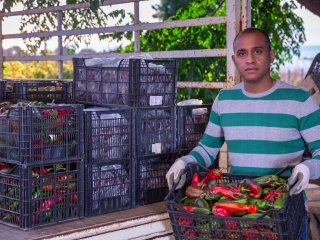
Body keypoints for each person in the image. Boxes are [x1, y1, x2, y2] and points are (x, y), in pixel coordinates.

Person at [166, 27, 320, 240]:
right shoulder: (225, 99)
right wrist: (184, 162)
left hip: (285, 213)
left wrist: (307, 167)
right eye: (242, 53)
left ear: (271, 55)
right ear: (234, 59)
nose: (249, 59)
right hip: (238, 213)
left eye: (257, 51)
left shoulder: (300, 100)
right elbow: (207, 149)